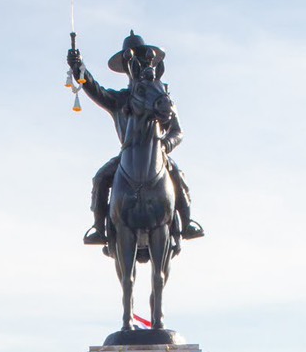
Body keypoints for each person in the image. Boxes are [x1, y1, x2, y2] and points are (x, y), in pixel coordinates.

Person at [67, 32, 204, 246]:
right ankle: (99, 228)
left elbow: (177, 131)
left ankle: (187, 224)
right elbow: (94, 89)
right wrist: (78, 68)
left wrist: (166, 144)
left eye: (141, 58)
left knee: (177, 175)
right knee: (101, 178)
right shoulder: (120, 99)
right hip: (127, 156)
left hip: (158, 155)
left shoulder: (161, 97)